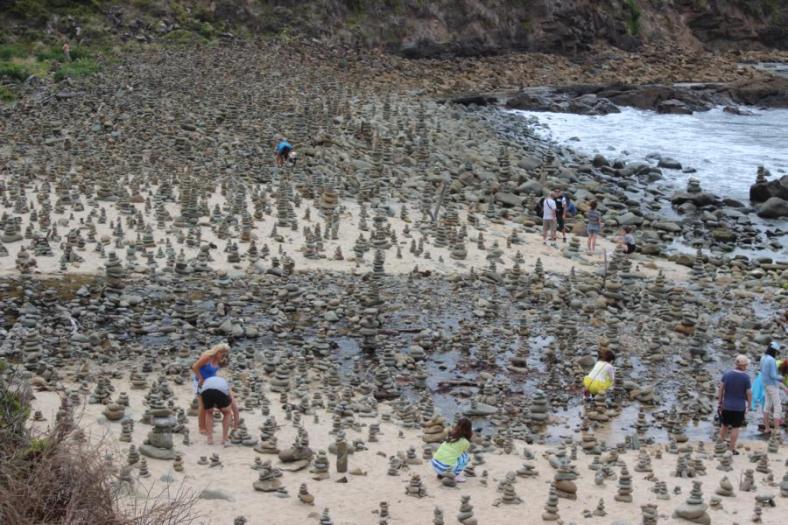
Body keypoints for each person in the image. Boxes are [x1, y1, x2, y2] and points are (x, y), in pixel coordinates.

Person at [191, 343, 230, 435]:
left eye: (225, 353)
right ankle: (202, 427)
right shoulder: (207, 357)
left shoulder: (220, 359)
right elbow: (194, 367)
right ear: (217, 351)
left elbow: (214, 370)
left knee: (210, 405)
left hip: (211, 383)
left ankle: (207, 424)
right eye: (222, 353)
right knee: (203, 406)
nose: (224, 355)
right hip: (200, 382)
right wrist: (201, 378)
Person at [718, 355, 752, 453]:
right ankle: (731, 448)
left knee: (724, 425)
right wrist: (749, 405)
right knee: (735, 428)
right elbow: (749, 393)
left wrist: (720, 402)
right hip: (739, 407)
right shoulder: (746, 377)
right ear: (744, 365)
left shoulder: (727, 374)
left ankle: (719, 446)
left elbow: (721, 389)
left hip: (727, 405)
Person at [200, 375, 240, 445]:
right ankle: (224, 438)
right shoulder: (226, 386)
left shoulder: (210, 380)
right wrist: (235, 428)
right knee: (227, 413)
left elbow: (203, 405)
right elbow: (235, 410)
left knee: (209, 413)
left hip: (205, 391)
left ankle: (210, 438)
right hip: (219, 390)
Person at [431, 418, 472, 482]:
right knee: (465, 456)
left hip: (434, 464)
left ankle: (441, 474)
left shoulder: (451, 435)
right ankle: (455, 475)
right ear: (469, 429)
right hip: (444, 468)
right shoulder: (465, 442)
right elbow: (462, 452)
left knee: (450, 454)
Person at [760, 341, 785, 434]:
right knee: (778, 407)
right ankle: (776, 430)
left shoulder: (763, 357)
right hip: (772, 385)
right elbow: (773, 375)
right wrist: (781, 378)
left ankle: (767, 428)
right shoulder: (771, 360)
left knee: (767, 406)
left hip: (765, 384)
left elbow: (762, 370)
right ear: (774, 351)